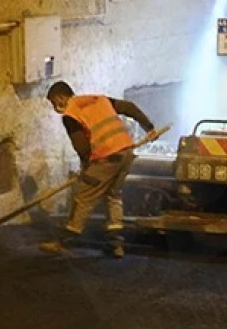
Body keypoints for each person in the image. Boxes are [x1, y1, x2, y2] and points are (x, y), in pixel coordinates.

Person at [39, 81, 159, 258]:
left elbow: (81, 147)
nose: (54, 107)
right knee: (113, 196)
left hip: (106, 158)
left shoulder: (71, 114)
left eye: (53, 102)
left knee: (83, 196)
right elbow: (129, 107)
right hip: (126, 152)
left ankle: (65, 241)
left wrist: (86, 168)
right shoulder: (99, 99)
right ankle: (116, 243)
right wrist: (149, 127)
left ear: (60, 97)